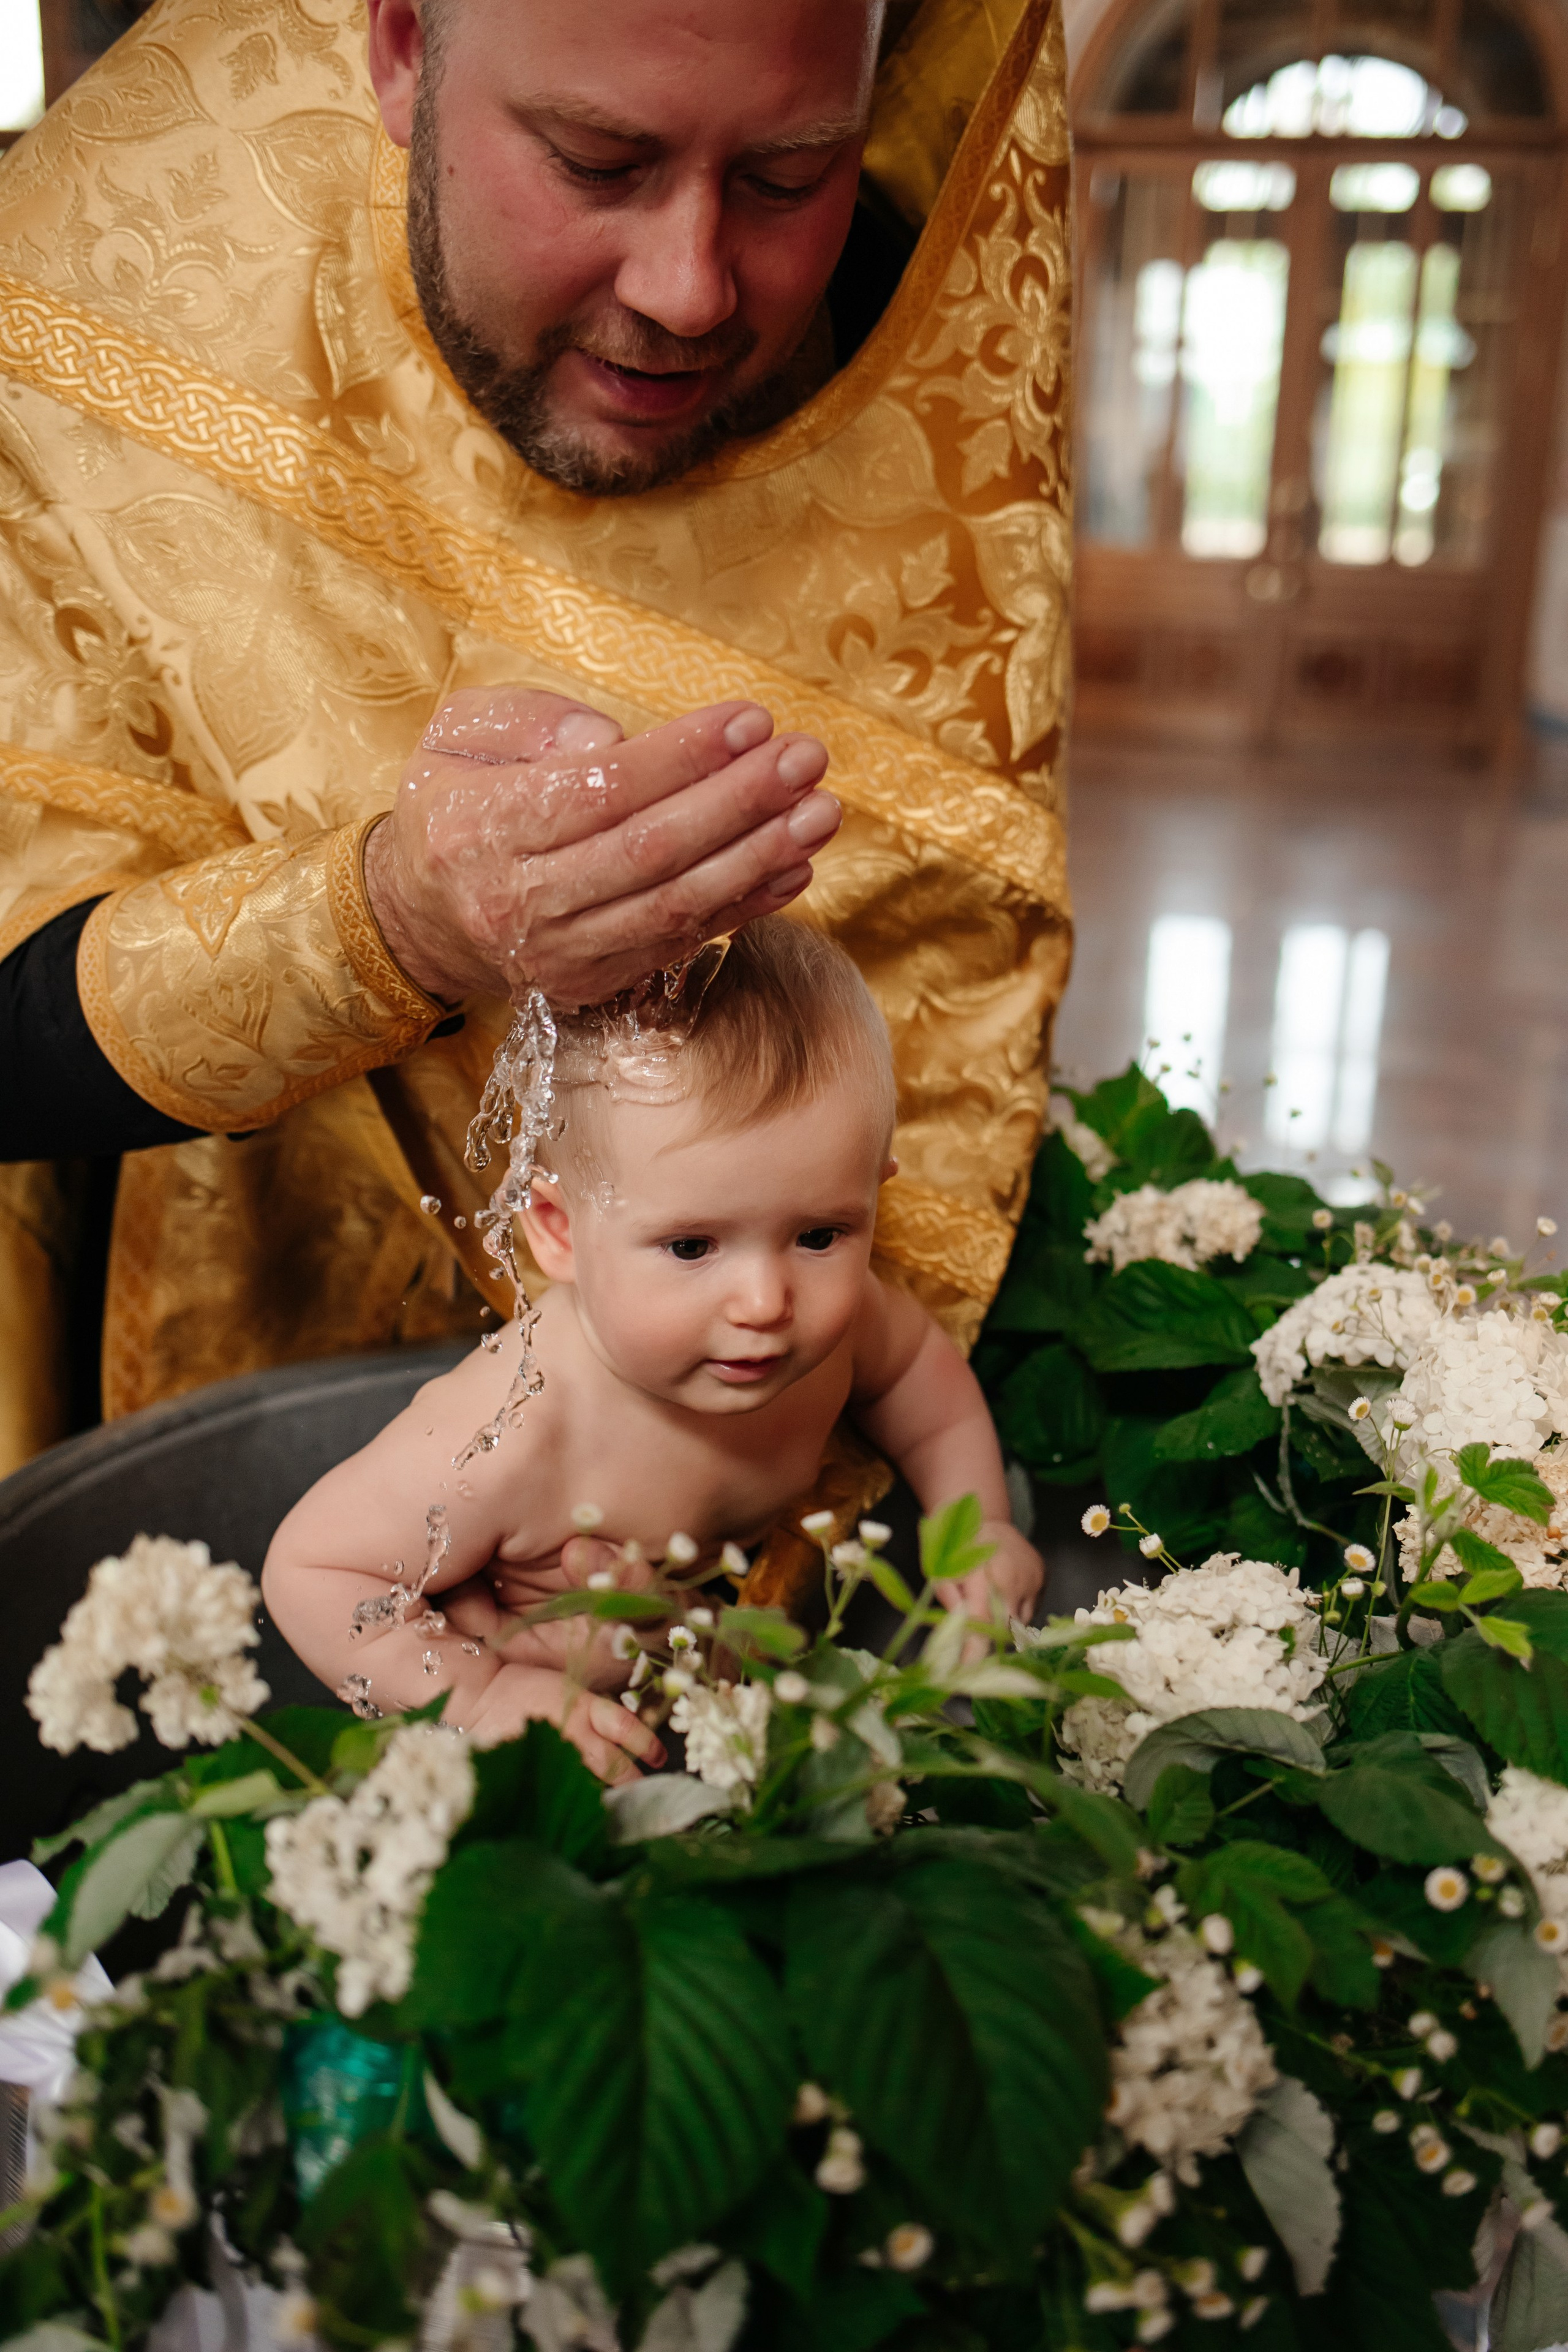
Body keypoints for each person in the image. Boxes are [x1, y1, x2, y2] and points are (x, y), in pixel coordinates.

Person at [0, 0, 1072, 1610]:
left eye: (788, 177)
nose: (689, 290)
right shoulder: (91, 285)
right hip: (195, 1405)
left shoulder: (928, 324)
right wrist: (387, 923)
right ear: (400, 50)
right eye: (596, 161)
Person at [262, 919, 1044, 1777]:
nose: (766, 1302)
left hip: (700, 1638)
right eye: (692, 1247)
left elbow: (921, 1388)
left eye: (819, 1234)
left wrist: (980, 1525)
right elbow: (315, 1569)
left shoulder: (848, 1320)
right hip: (532, 1693)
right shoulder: (516, 1428)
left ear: (872, 1197)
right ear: (559, 1232)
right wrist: (480, 1695)